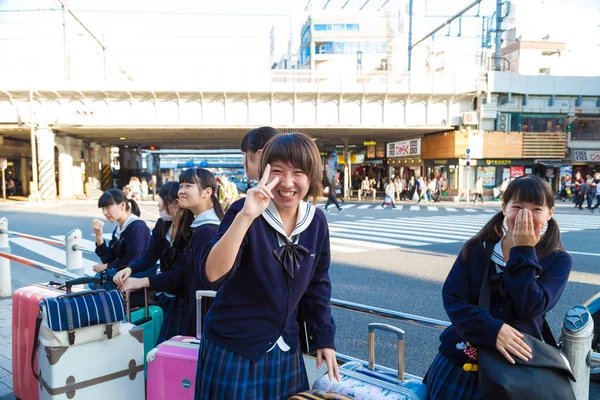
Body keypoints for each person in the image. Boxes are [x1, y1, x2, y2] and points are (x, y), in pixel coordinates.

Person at [195, 132, 339, 399]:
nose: (287, 183)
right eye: (277, 171)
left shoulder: (315, 221)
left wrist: (324, 338)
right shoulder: (244, 210)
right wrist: (247, 216)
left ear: (311, 176)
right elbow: (212, 274)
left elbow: (318, 284)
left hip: (285, 351)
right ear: (263, 172)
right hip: (233, 349)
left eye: (298, 172)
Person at [423, 175, 572, 399]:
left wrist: (523, 251)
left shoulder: (557, 260)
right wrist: (492, 331)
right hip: (461, 364)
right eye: (518, 207)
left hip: (513, 372)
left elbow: (530, 307)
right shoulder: (477, 248)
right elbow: (453, 300)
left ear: (550, 213)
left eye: (536, 209)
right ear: (504, 208)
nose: (526, 216)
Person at [92, 189, 151, 291]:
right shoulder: (119, 228)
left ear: (122, 205)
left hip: (135, 281)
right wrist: (98, 236)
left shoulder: (137, 227)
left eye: (107, 207)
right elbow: (109, 258)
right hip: (122, 277)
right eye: (103, 209)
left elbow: (134, 260)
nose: (105, 213)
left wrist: (106, 266)